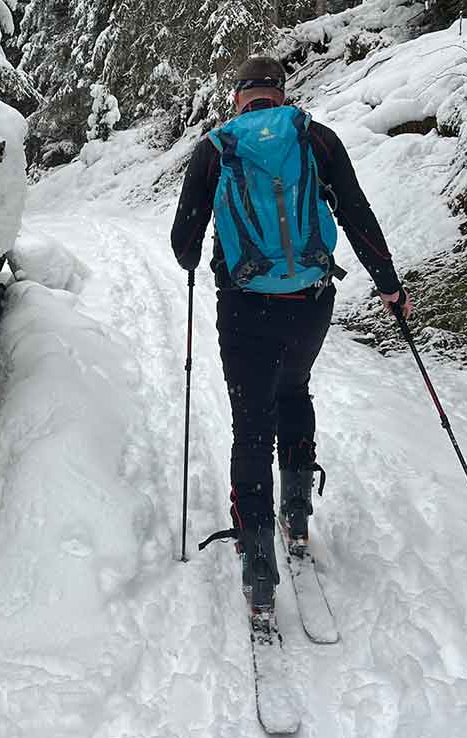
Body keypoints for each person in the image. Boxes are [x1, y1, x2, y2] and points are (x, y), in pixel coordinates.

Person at [171, 55, 412, 614]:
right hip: (310, 303)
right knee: (294, 390)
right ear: (281, 93)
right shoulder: (315, 139)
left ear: (238, 98)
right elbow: (356, 214)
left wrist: (200, 253)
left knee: (251, 424)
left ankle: (258, 561)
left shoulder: (215, 148)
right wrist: (389, 285)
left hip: (243, 308)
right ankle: (296, 516)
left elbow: (184, 245)